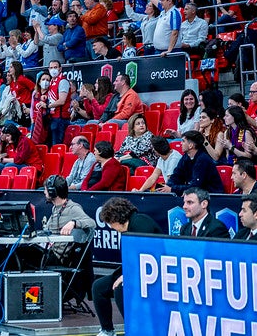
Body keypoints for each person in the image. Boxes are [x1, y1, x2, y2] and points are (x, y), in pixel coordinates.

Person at [93, 197, 163, 336]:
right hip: (133, 269)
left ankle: (135, 330)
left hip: (154, 272)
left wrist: (127, 276)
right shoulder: (126, 229)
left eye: (110, 223)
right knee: (99, 287)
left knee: (121, 289)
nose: (110, 227)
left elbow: (148, 258)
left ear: (115, 218)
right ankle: (107, 330)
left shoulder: (141, 224)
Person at [161, 130, 225, 195]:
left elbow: (196, 186)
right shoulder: (186, 157)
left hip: (212, 195)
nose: (181, 143)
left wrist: (172, 189)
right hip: (197, 194)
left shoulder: (203, 160)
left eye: (183, 141)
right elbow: (177, 175)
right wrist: (168, 186)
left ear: (191, 145)